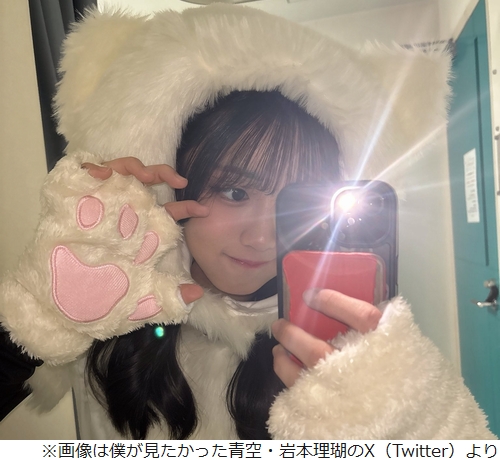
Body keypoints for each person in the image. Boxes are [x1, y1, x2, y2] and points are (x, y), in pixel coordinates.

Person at [0, 4, 495, 440]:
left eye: (296, 203)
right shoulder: (106, 315)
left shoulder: (354, 340)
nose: (263, 237)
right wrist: (34, 321)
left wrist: (407, 421)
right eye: (235, 192)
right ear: (170, 180)